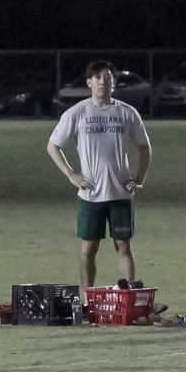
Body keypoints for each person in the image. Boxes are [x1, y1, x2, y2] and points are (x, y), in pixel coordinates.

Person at [47, 62, 150, 291]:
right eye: (98, 78)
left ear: (114, 83)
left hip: (120, 193)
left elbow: (145, 147)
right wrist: (71, 174)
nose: (103, 81)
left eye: (107, 78)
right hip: (90, 194)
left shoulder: (127, 112)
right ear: (89, 83)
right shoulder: (78, 112)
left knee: (123, 247)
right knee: (88, 249)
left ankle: (129, 294)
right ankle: (87, 300)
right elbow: (53, 146)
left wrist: (139, 178)